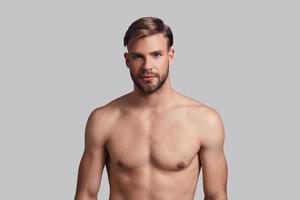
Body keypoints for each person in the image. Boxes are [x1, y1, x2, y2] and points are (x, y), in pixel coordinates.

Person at [74, 16, 228, 200]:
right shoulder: (103, 119)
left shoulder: (204, 120)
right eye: (138, 56)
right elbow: (86, 195)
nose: (148, 66)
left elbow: (216, 196)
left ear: (170, 56)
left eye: (156, 55)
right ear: (127, 60)